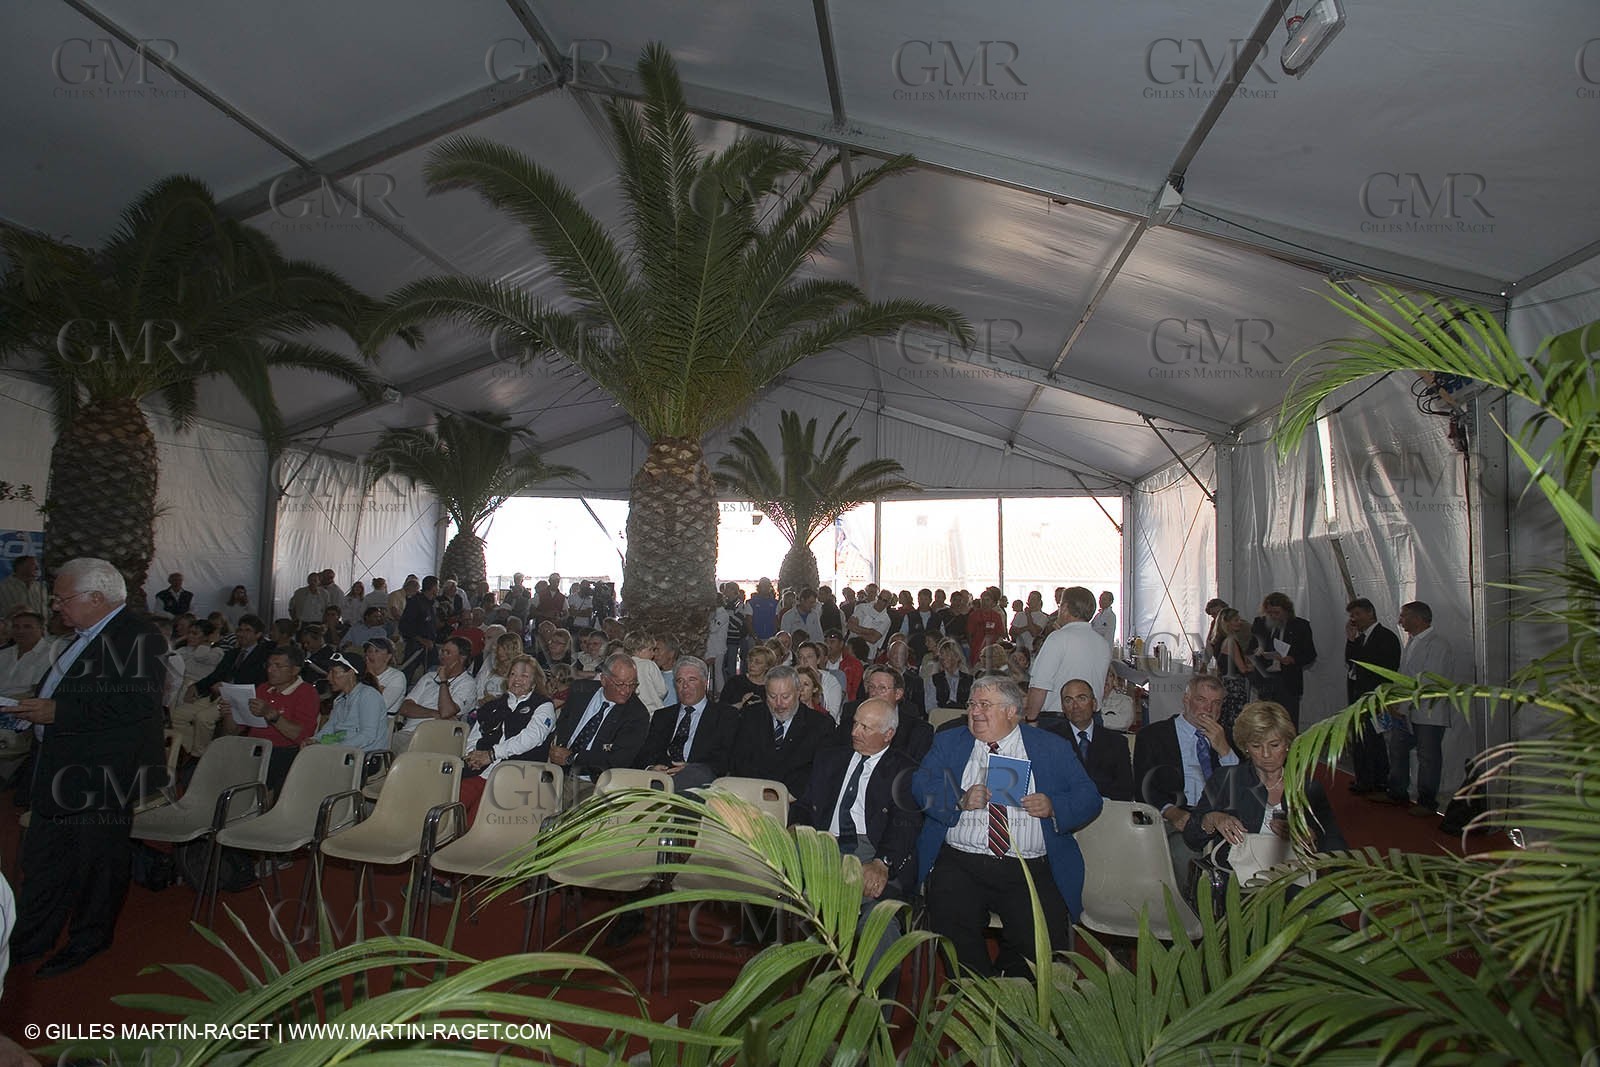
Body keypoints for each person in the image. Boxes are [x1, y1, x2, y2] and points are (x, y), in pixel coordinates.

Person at [9, 558, 165, 977]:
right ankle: (28, 941)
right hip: (60, 768)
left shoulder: (138, 636)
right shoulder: (81, 637)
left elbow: (135, 702)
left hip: (103, 774)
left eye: (62, 598)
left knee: (97, 865)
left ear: (96, 598)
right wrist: (33, 708)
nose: (56, 606)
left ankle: (88, 940)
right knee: (43, 861)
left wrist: (57, 711)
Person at [912, 676, 1103, 978]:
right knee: (949, 913)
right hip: (962, 861)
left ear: (1011, 711)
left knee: (1039, 934)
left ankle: (1012, 989)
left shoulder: (1051, 747)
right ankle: (975, 987)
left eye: (985, 705)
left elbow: (1090, 797)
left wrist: (1054, 806)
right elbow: (921, 785)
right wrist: (959, 799)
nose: (974, 712)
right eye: (972, 704)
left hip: (1028, 865)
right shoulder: (950, 741)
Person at [792, 696, 923, 994]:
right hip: (826, 845)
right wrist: (794, 827)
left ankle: (874, 1017)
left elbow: (906, 824)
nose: (855, 732)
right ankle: (813, 1000)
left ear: (888, 734)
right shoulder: (830, 758)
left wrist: (882, 863)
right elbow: (805, 805)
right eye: (855, 723)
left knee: (880, 925)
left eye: (866, 727)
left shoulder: (905, 770)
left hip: (871, 850)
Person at [1184, 700, 1345, 865]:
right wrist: (1212, 819)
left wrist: (1309, 836)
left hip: (1291, 877)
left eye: (1274, 745)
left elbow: (1334, 843)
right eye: (1256, 746)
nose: (1266, 754)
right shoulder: (1226, 780)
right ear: (1245, 747)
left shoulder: (1307, 787)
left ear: (1288, 744)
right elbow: (1191, 839)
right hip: (1235, 878)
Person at [1133, 674, 1238, 893]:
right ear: (1186, 699)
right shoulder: (1153, 735)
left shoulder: (1228, 738)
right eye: (1201, 700)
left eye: (1216, 703)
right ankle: (1189, 919)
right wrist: (1172, 812)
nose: (1209, 709)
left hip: (1223, 817)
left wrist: (1225, 751)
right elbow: (1144, 788)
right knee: (1188, 860)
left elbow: (1243, 786)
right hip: (1178, 816)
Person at [1382, 601, 1457, 816]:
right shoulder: (1413, 642)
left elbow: (1428, 682)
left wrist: (1402, 705)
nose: (1400, 621)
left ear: (1417, 618)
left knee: (1428, 757)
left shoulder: (1438, 645)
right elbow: (1402, 675)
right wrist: (1393, 700)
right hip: (1406, 709)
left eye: (1404, 616)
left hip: (1428, 711)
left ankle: (1426, 801)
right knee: (1397, 749)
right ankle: (1397, 792)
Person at [459, 655, 558, 817]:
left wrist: (492, 754)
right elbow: (476, 734)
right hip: (481, 771)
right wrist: (473, 756)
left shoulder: (543, 706)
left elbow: (531, 738)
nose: (517, 679)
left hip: (516, 775)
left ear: (534, 681)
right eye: (513, 674)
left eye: (524, 676)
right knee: (450, 804)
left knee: (477, 817)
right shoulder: (493, 705)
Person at [531, 652, 650, 782]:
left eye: (632, 684)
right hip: (556, 771)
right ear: (604, 679)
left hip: (593, 782)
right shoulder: (580, 690)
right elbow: (562, 727)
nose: (626, 690)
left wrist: (572, 758)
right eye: (620, 684)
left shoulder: (637, 714)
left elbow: (617, 761)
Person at [223, 646, 318, 795]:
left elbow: (301, 735)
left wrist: (272, 715)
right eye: (268, 665)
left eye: (278, 666)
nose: (270, 670)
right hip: (253, 748)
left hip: (282, 752)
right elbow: (232, 731)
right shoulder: (263, 688)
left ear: (295, 670)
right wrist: (231, 712)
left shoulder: (306, 692)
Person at [727, 664, 832, 798]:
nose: (779, 704)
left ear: (798, 691)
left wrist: (780, 795)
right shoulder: (750, 716)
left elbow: (818, 772)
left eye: (785, 696)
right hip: (752, 795)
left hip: (795, 801)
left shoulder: (820, 725)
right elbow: (739, 761)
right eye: (772, 696)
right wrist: (761, 792)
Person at [637, 656, 739, 791]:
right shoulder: (662, 716)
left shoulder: (725, 715)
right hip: (660, 777)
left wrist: (690, 768)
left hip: (699, 780)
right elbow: (645, 754)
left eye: (692, 680)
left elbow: (725, 758)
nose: (685, 686)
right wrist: (650, 768)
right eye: (680, 681)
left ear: (705, 682)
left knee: (696, 774)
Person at [1344, 597, 1402, 796]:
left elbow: (1384, 668)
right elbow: (1350, 661)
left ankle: (1379, 781)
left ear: (1370, 613)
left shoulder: (1386, 637)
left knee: (1375, 740)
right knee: (1360, 739)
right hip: (1357, 696)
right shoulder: (1360, 638)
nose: (1354, 619)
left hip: (1374, 697)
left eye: (1357, 614)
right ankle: (1363, 778)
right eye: (1352, 615)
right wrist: (1351, 641)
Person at [1040, 677, 1133, 802]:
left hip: (1108, 812)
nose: (1075, 706)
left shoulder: (1117, 743)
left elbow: (1125, 789)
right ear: (1062, 707)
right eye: (1068, 700)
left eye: (1082, 698)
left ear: (1094, 704)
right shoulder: (1049, 739)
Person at [1026, 586, 1110, 722]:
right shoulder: (1103, 644)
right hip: (1092, 718)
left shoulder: (1057, 639)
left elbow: (1040, 686)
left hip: (1059, 720)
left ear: (1064, 608)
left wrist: (1031, 719)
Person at [1250, 592, 1317, 727]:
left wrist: (1293, 659)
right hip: (1265, 680)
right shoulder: (1260, 623)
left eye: (1277, 612)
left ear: (1287, 611)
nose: (1273, 616)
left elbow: (1310, 654)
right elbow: (1250, 648)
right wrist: (1258, 652)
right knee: (1266, 721)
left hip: (1288, 681)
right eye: (1269, 613)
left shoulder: (1300, 626)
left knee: (1288, 721)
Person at [395, 636, 476, 733]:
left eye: (448, 653)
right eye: (442, 651)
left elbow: (446, 712)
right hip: (408, 731)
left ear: (462, 658)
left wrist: (443, 681)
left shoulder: (467, 683)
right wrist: (435, 714)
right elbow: (405, 708)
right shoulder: (429, 677)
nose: (442, 656)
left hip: (435, 736)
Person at [314, 652, 391, 753]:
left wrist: (335, 748)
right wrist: (315, 739)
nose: (328, 677)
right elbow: (330, 726)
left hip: (363, 756)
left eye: (334, 672)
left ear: (351, 673)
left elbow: (368, 735)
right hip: (342, 753)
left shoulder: (369, 696)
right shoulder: (340, 700)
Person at [363, 637, 408, 717]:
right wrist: (379, 690)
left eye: (377, 651)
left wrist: (371, 675)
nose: (371, 655)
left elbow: (379, 707)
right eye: (369, 651)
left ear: (388, 657)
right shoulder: (360, 674)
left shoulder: (397, 677)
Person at [928, 638, 973, 712]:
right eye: (942, 654)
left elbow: (971, 705)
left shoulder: (970, 680)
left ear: (957, 657)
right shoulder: (934, 680)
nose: (943, 658)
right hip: (940, 718)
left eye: (948, 654)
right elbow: (930, 707)